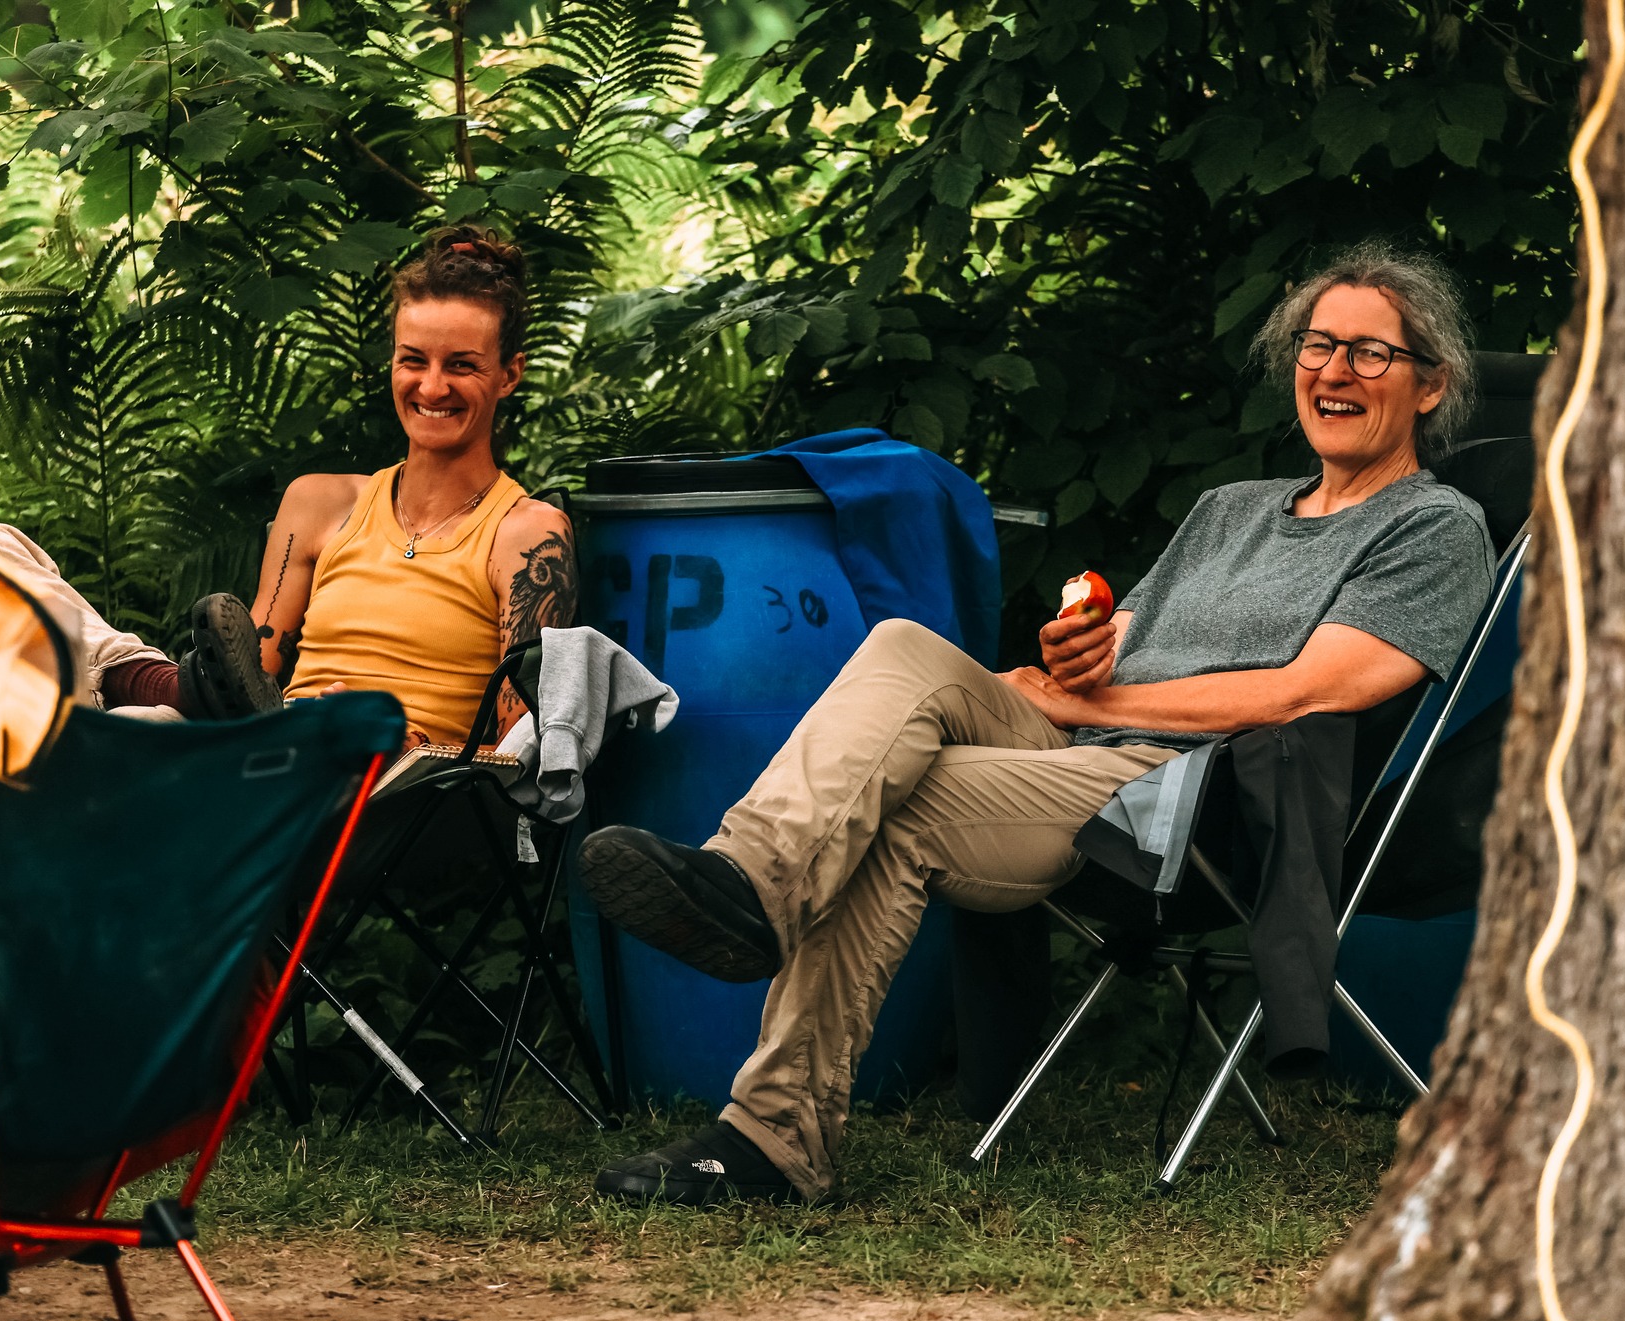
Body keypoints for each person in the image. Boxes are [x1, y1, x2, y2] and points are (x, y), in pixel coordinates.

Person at [578, 241, 1497, 1206]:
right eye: (1317, 347)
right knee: (901, 645)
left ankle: (770, 1137)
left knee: (901, 803)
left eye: (1370, 354)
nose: (1334, 373)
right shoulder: (1232, 510)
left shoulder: (1432, 528)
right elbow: (1123, 647)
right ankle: (749, 878)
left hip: (1193, 792)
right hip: (1085, 743)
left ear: (1429, 388)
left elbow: (1302, 693)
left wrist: (1077, 701)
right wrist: (1078, 657)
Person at [0, 225, 579, 750]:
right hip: (271, 747)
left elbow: (513, 749)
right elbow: (250, 673)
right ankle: (154, 685)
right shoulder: (322, 503)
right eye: (413, 359)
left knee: (93, 739)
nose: (431, 387)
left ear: (508, 375)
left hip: (391, 782)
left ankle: (131, 685)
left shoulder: (524, 534)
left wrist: (400, 741)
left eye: (461, 365)